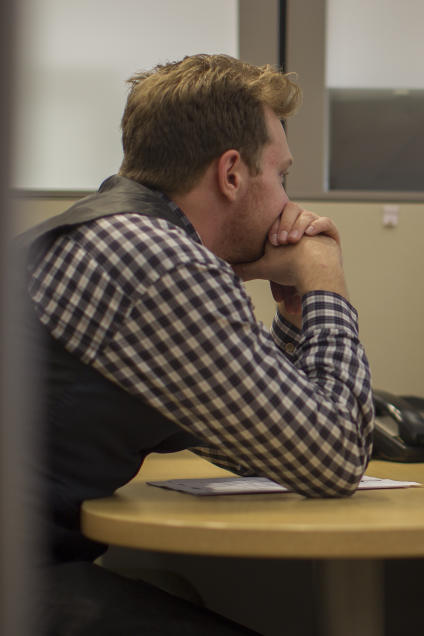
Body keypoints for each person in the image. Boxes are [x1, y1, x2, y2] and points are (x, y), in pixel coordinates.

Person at [20, 54, 374, 634]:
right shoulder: (161, 263)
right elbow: (334, 459)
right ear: (232, 173)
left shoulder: (114, 233)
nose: (289, 204)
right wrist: (324, 277)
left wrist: (293, 313)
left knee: (174, 590)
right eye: (280, 176)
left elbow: (258, 443)